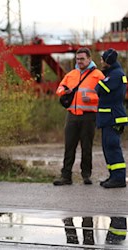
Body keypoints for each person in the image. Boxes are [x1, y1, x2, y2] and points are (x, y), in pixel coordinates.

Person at [53, 47, 105, 186]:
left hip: (89, 117)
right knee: (69, 146)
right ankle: (66, 176)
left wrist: (92, 99)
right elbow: (59, 89)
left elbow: (106, 96)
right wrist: (64, 91)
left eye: (82, 59)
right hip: (72, 116)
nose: (80, 61)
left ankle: (86, 175)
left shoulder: (98, 75)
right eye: (77, 59)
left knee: (86, 147)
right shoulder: (71, 74)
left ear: (89, 59)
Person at [96, 48, 128, 188]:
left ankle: (119, 178)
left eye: (103, 59)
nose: (101, 61)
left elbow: (100, 88)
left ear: (108, 61)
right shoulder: (112, 73)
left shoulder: (116, 74)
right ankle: (113, 176)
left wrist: (101, 80)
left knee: (112, 147)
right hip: (108, 118)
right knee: (107, 147)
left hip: (113, 117)